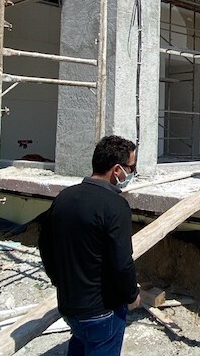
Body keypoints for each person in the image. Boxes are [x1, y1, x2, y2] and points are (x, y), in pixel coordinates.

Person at [38, 136, 141, 356]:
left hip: (70, 306)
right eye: (131, 168)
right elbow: (122, 263)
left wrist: (60, 282)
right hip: (103, 311)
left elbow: (45, 246)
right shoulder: (115, 206)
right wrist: (132, 296)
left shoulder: (64, 198)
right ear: (117, 170)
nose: (132, 173)